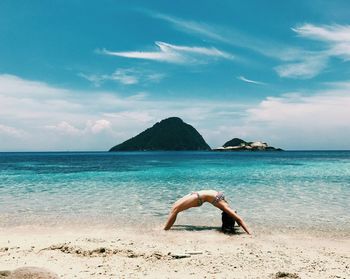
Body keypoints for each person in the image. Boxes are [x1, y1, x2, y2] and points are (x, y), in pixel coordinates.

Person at [163, 190, 251, 235]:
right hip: (197, 195)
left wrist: (249, 233)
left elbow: (239, 220)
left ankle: (165, 230)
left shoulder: (226, 207)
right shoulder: (226, 206)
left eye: (233, 214)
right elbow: (238, 220)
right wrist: (238, 222)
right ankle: (168, 228)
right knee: (174, 207)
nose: (234, 213)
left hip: (198, 198)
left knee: (175, 210)